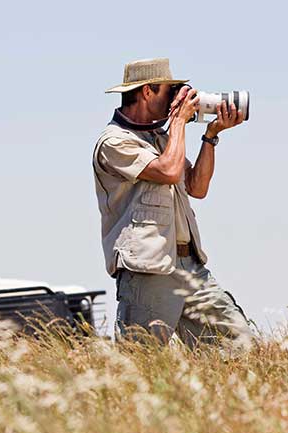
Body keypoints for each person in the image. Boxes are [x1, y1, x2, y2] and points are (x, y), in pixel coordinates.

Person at [92, 58, 253, 348]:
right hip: (149, 268)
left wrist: (211, 136)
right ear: (147, 91)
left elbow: (197, 187)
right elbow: (167, 171)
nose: (175, 100)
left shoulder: (162, 138)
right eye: (171, 91)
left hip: (189, 263)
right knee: (140, 360)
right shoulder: (113, 142)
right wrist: (178, 121)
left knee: (236, 343)